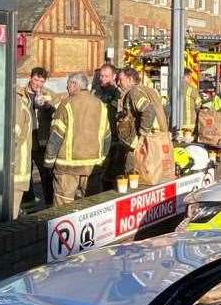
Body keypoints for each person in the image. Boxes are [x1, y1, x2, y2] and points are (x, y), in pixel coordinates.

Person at [43, 72, 110, 206]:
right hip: (92, 167)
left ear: (75, 84)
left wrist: (48, 163)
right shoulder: (100, 105)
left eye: (68, 84)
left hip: (67, 169)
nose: (67, 88)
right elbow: (107, 136)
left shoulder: (66, 104)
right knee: (92, 207)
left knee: (63, 209)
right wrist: (102, 159)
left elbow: (56, 136)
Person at [117, 67, 173, 181]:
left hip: (141, 145)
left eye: (120, 80)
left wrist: (143, 132)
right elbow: (166, 109)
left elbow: (149, 109)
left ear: (130, 79)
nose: (118, 83)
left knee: (133, 175)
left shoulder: (134, 92)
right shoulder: (149, 90)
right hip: (157, 140)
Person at [24, 67, 57, 206]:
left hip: (41, 140)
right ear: (30, 77)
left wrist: (48, 105)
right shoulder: (21, 93)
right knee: (26, 174)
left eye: (41, 81)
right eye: (36, 79)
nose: (38, 84)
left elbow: (57, 110)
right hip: (26, 141)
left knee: (46, 173)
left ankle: (49, 204)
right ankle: (29, 203)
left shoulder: (48, 94)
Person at [90, 62, 123, 194]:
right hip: (96, 135)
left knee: (111, 170)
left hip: (112, 136)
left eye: (106, 76)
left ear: (114, 76)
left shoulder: (118, 93)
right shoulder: (95, 90)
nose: (102, 79)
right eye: (101, 76)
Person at [11, 81, 33, 218]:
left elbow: (13, 138)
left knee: (10, 219)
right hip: (18, 169)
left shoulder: (16, 105)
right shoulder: (20, 103)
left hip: (16, 170)